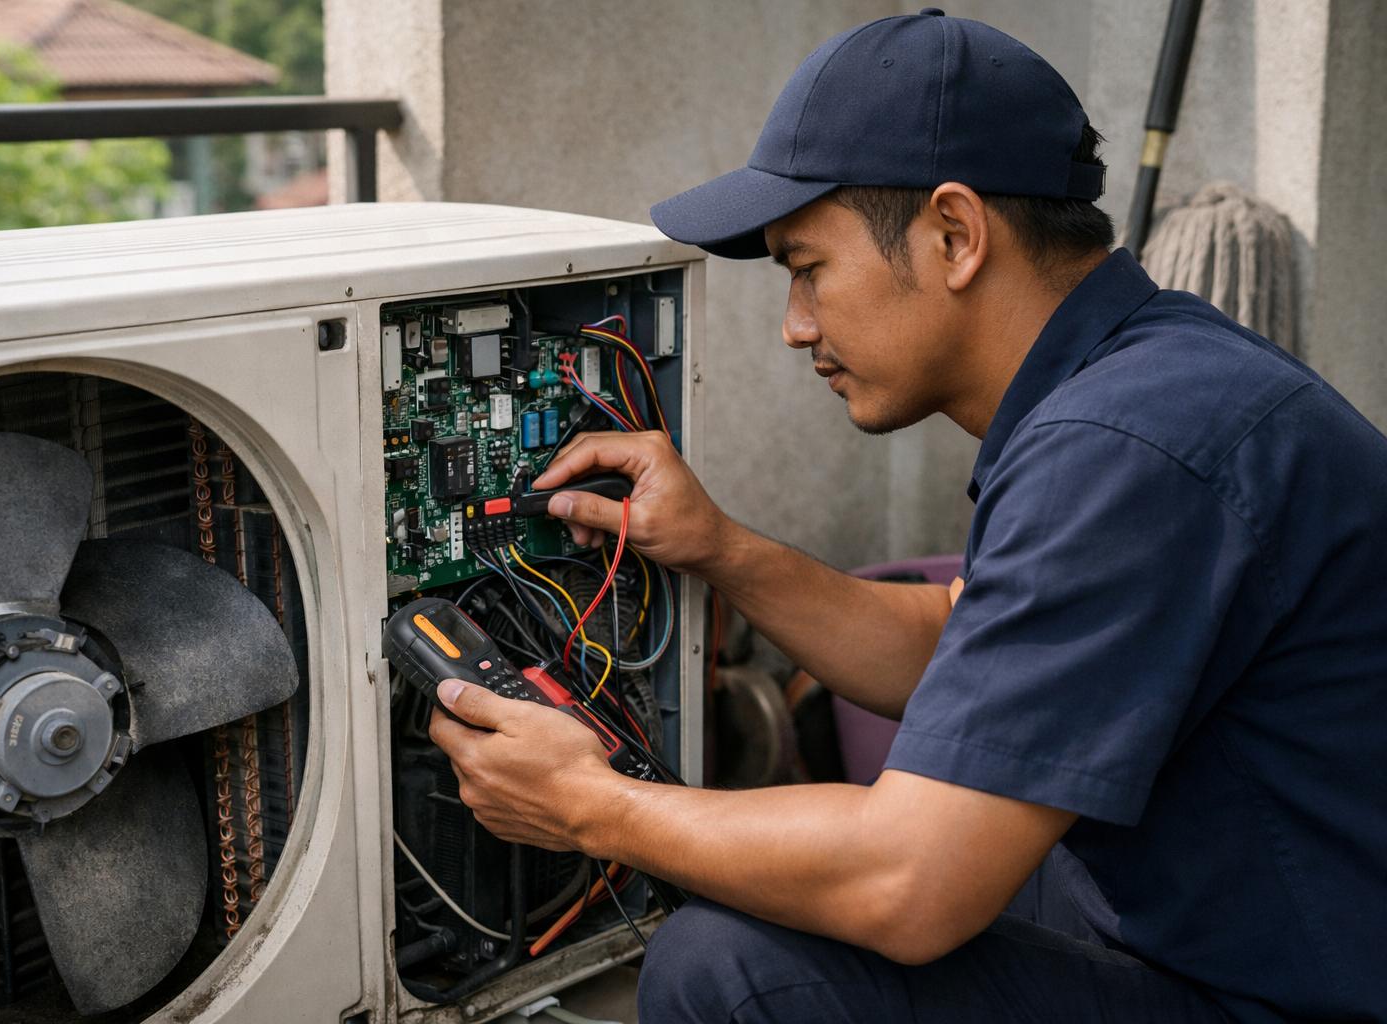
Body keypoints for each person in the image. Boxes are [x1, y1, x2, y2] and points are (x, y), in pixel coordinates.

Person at [427, 10, 1387, 1023]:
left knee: (733, 968)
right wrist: (721, 548)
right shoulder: (1151, 373)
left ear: (956, 235)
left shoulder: (1123, 449)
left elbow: (909, 886)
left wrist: (592, 806)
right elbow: (964, 651)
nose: (797, 326)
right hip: (1244, 926)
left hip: (1289, 996)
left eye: (807, 268)